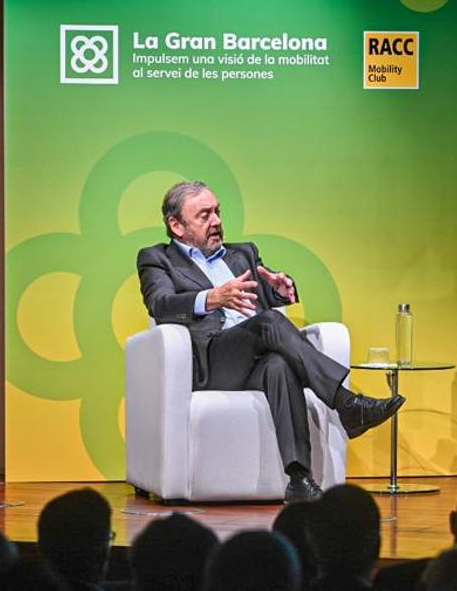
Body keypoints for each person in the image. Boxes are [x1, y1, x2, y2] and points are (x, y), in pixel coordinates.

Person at [137, 181, 404, 503]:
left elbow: (257, 295)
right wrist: (211, 298)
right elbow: (160, 303)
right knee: (270, 322)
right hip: (210, 361)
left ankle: (299, 480)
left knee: (280, 365)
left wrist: (279, 291)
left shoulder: (242, 253)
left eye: (218, 212)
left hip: (253, 357)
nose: (217, 221)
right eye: (204, 215)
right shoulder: (157, 259)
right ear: (176, 225)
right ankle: (346, 402)